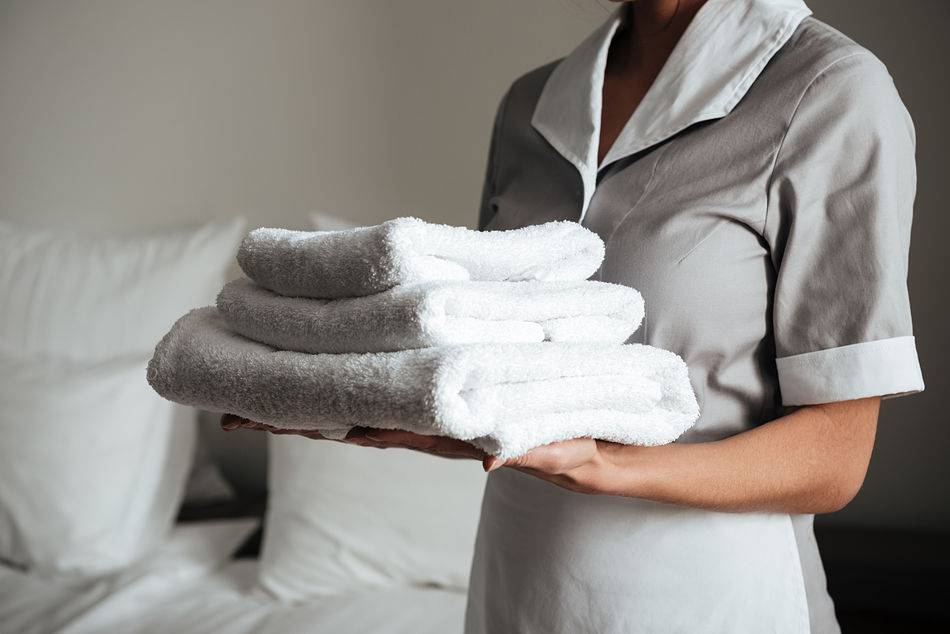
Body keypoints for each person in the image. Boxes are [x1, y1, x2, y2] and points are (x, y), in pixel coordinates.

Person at [224, 0, 925, 631]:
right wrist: (391, 408)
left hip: (710, 595)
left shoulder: (827, 89)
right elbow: (494, 360)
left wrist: (603, 467)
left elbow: (836, 459)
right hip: (519, 578)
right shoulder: (533, 101)